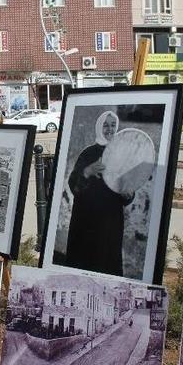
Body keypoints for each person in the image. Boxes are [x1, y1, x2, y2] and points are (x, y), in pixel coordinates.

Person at [65, 110, 128, 275]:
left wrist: (128, 194)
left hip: (111, 221)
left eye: (113, 125)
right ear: (100, 127)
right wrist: (87, 171)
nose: (110, 129)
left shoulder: (121, 154)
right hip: (87, 221)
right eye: (106, 125)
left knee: (108, 263)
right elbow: (73, 185)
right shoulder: (88, 153)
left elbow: (126, 188)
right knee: (87, 264)